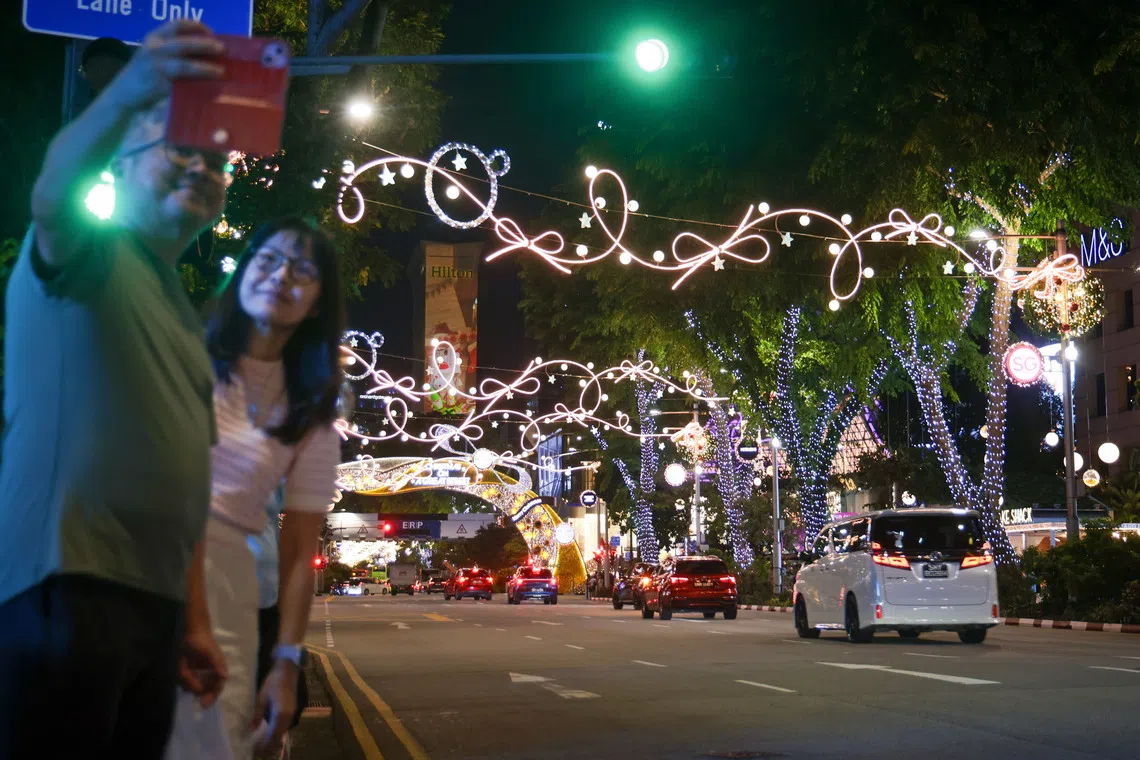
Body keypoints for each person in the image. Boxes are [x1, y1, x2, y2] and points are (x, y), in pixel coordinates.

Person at [0, 20, 228, 759]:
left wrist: (192, 621)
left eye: (216, 161)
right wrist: (131, 89)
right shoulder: (88, 252)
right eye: (179, 150)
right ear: (120, 169)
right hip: (67, 587)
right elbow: (55, 181)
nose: (202, 167)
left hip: (151, 610)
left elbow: (189, 481)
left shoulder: (182, 314)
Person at [165, 216, 345, 759]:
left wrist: (286, 663)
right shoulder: (182, 360)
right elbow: (168, 493)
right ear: (243, 273)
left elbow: (298, 552)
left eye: (302, 269)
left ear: (316, 303)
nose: (281, 274)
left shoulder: (312, 412)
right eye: (268, 259)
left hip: (228, 591)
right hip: (144, 568)